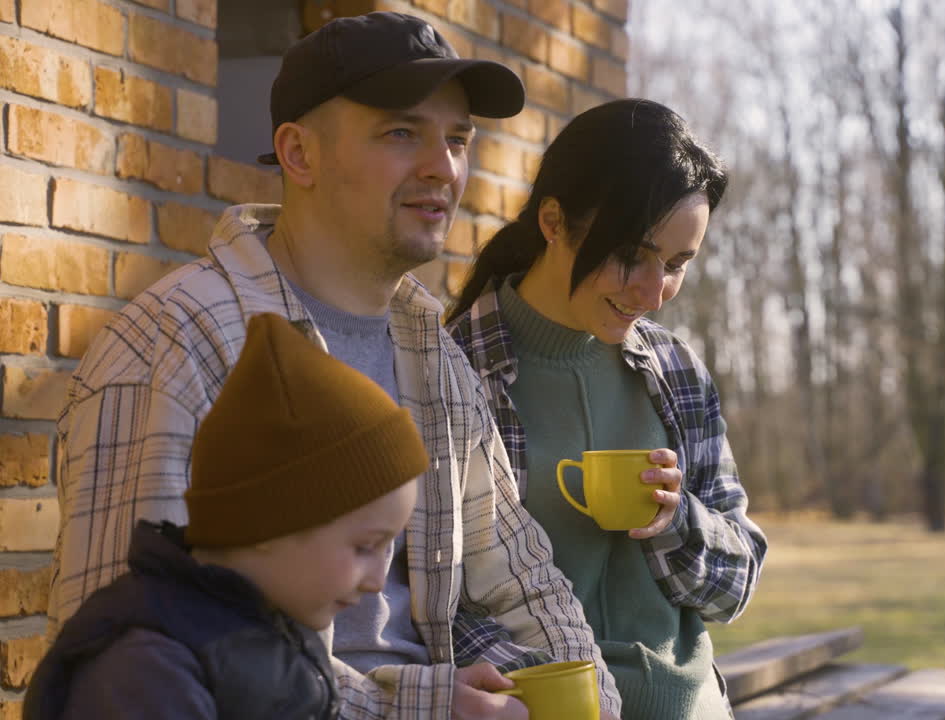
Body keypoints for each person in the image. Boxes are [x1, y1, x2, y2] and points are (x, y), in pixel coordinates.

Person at [51, 12, 620, 719]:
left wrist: (596, 700)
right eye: (401, 132)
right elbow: (125, 643)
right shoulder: (173, 345)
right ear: (298, 154)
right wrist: (415, 706)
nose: (443, 168)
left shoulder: (436, 358)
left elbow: (523, 578)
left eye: (457, 140)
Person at [446, 98, 768, 720]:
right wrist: (557, 693)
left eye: (676, 265)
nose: (654, 292)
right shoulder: (453, 372)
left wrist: (677, 522)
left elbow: (735, 588)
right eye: (630, 255)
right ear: (553, 221)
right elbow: (432, 602)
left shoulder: (676, 370)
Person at [25, 313, 426, 720]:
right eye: (365, 546)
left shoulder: (277, 631)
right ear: (270, 521)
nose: (378, 581)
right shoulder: (147, 670)